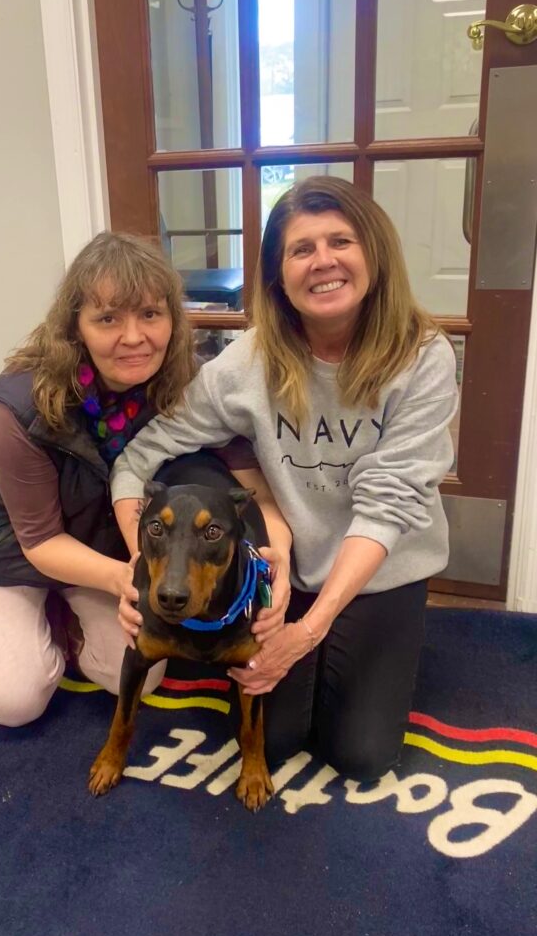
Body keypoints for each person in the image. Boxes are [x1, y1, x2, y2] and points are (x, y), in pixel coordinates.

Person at [111, 176, 458, 783]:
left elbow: (386, 508)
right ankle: (322, 653)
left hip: (381, 567)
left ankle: (352, 644)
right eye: (301, 249)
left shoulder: (423, 357)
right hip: (286, 570)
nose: (323, 261)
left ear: (373, 254)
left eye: (341, 241)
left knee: (361, 754)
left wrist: (307, 632)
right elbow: (141, 455)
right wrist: (136, 567)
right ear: (278, 275)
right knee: (272, 742)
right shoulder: (245, 364)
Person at [0, 231, 282, 728]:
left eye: (150, 315)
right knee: (14, 702)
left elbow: (252, 482)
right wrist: (128, 579)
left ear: (172, 321)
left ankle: (57, 614)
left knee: (137, 673)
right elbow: (40, 540)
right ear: (76, 327)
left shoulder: (185, 379)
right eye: (108, 318)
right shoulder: (22, 403)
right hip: (1, 547)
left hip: (95, 537)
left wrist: (273, 559)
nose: (134, 337)